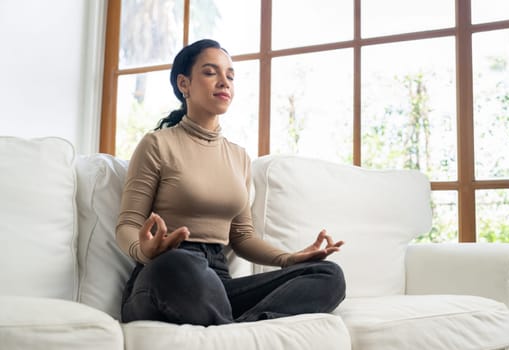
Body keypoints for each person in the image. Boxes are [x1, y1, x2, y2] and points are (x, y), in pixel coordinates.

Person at [116, 39, 346, 326]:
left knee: (328, 275)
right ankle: (231, 329)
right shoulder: (157, 144)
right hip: (166, 274)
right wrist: (145, 252)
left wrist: (291, 258)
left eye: (230, 75)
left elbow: (243, 237)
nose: (224, 82)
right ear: (184, 84)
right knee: (180, 264)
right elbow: (127, 223)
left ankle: (238, 329)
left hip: (218, 284)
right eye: (211, 72)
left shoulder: (238, 157)